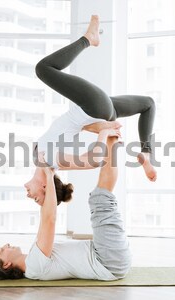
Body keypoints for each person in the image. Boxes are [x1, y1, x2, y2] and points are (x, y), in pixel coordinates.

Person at [24, 15, 157, 206]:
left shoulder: (42, 160)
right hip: (92, 108)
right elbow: (93, 161)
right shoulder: (50, 161)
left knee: (148, 104)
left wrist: (96, 128)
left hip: (98, 111)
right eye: (37, 198)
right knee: (43, 69)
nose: (30, 196)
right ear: (45, 187)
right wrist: (103, 133)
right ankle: (89, 39)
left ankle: (147, 154)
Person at [0, 135, 132, 281]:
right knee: (100, 199)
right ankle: (112, 137)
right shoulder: (34, 266)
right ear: (6, 265)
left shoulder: (34, 257)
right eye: (1, 250)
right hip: (108, 260)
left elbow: (45, 216)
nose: (5, 245)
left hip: (105, 254)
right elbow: (49, 219)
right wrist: (48, 174)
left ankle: (112, 139)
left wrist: (44, 190)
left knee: (99, 198)